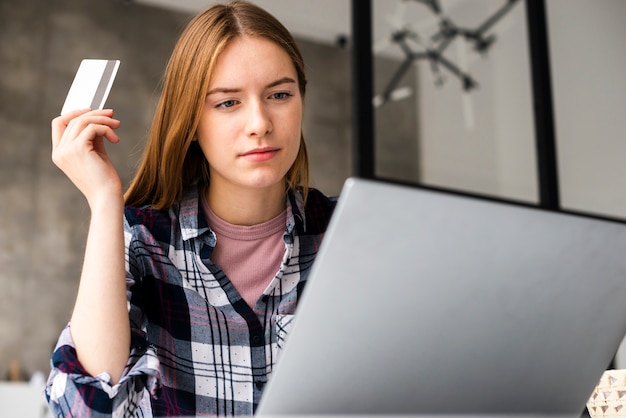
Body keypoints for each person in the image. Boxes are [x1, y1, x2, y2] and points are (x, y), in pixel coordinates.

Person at [45, 1, 336, 416]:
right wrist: (105, 200)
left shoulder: (345, 234)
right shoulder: (143, 240)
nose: (260, 122)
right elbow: (87, 408)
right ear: (192, 122)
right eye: (227, 103)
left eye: (279, 94)